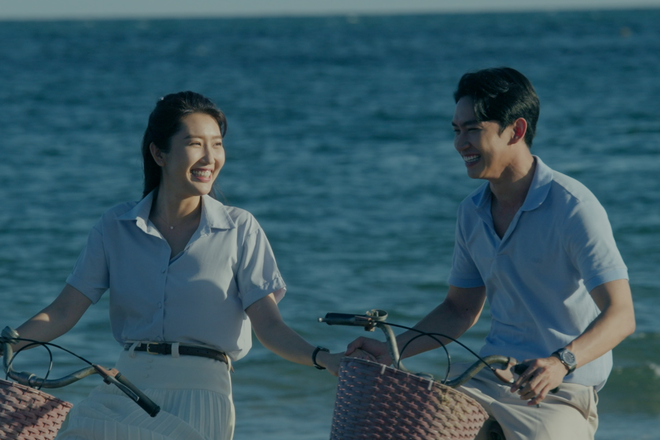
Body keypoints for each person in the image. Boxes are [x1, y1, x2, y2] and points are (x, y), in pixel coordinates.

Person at [8, 91, 344, 440]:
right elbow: (63, 311)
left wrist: (324, 358)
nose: (210, 157)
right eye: (195, 144)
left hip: (202, 395)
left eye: (217, 144)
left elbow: (270, 326)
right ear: (159, 154)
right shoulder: (115, 226)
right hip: (124, 389)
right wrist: (7, 345)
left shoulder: (239, 228)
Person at [347, 67, 635, 440]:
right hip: (486, 378)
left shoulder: (573, 207)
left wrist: (561, 362)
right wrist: (391, 350)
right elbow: (459, 309)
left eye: (472, 129)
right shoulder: (471, 211)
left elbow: (621, 315)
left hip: (562, 390)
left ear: (515, 130)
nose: (460, 143)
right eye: (456, 130)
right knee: (405, 426)